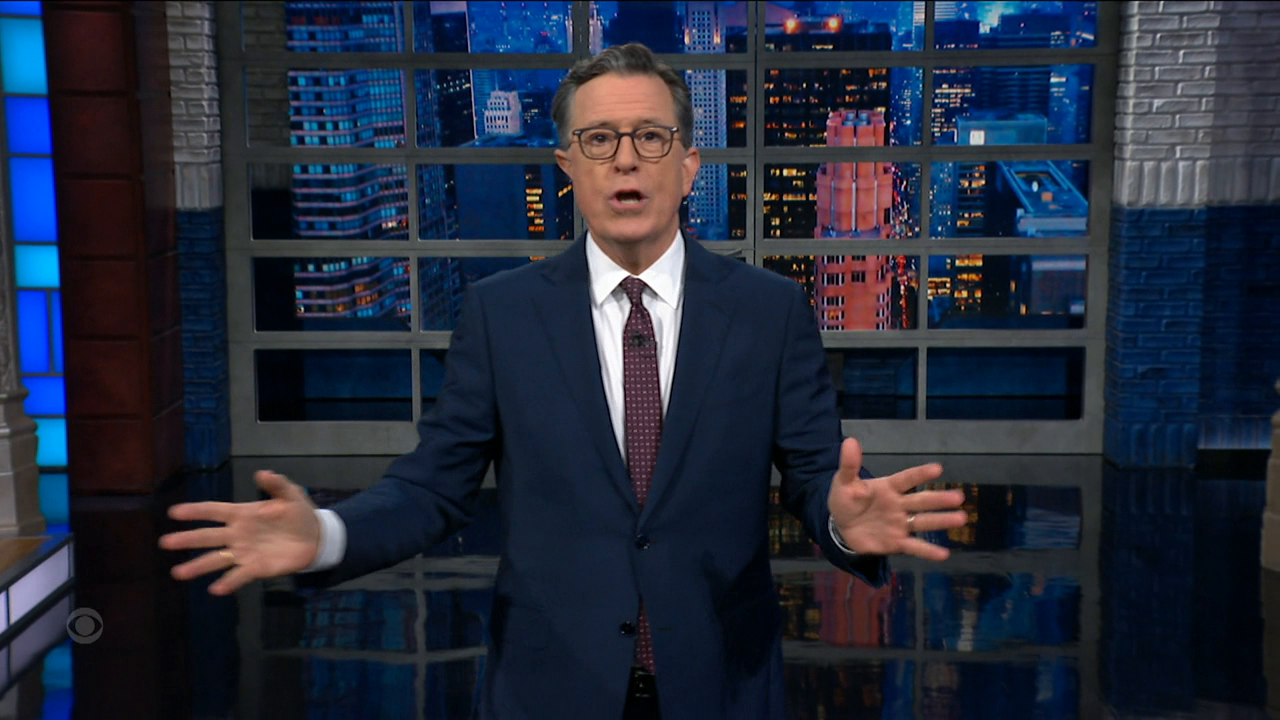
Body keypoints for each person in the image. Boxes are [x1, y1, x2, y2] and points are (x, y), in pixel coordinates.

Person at [160, 43, 967, 720]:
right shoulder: (501, 314)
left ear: (690, 166)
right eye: (599, 139)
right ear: (567, 167)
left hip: (721, 684)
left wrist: (841, 524)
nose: (625, 158)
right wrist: (327, 536)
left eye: (651, 137)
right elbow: (432, 487)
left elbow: (817, 476)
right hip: (550, 686)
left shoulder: (770, 310)